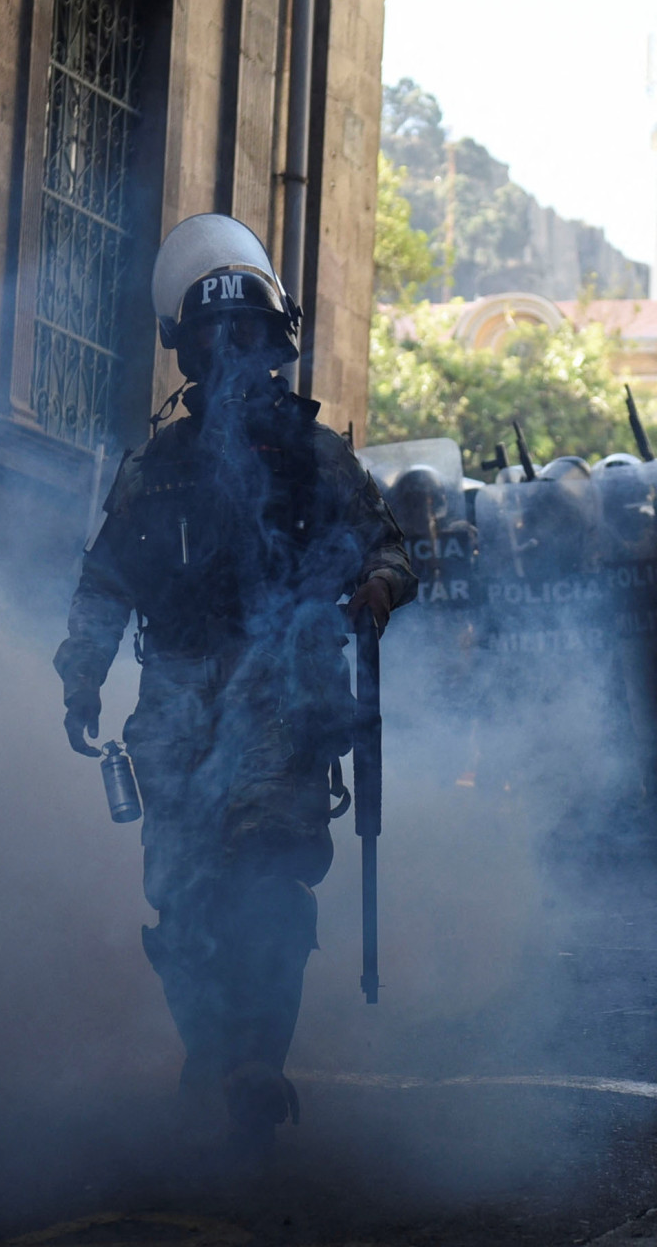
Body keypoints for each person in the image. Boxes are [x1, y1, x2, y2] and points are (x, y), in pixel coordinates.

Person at [54, 214, 417, 1161]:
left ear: (270, 348)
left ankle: (256, 1056)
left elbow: (389, 546)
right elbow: (104, 583)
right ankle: (213, 1050)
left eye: (245, 341)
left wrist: (377, 585)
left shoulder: (315, 457)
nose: (232, 361)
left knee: (269, 872)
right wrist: (79, 675)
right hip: (175, 697)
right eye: (215, 343)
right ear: (193, 352)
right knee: (183, 894)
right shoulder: (157, 468)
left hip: (281, 691)